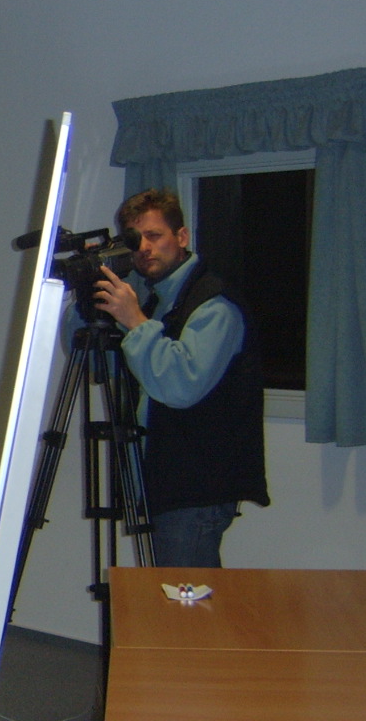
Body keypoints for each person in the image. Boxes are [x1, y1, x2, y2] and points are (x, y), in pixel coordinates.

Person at [90, 188, 270, 567]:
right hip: (168, 482)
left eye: (155, 236)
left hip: (197, 489)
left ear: (182, 236)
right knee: (175, 595)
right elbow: (98, 365)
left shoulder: (214, 305)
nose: (144, 248)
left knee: (185, 598)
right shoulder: (159, 301)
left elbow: (181, 386)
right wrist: (87, 298)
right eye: (135, 240)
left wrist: (135, 321)